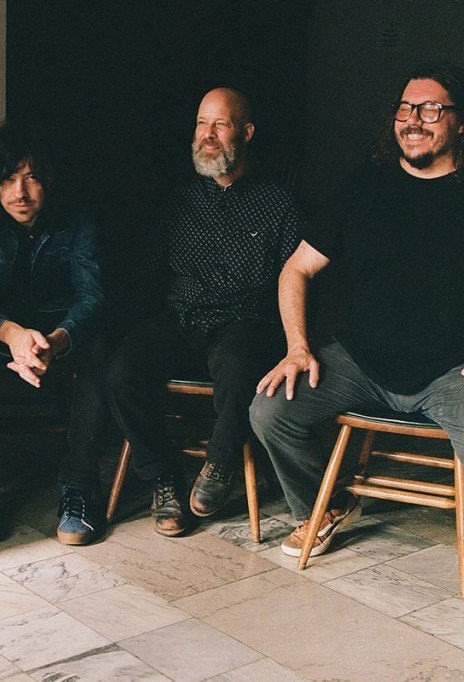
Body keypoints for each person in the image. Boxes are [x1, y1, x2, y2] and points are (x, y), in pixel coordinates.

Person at [250, 61, 464, 595]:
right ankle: (326, 506)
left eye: (431, 109)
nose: (413, 120)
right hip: (361, 360)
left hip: (457, 368)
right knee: (269, 411)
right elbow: (296, 269)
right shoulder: (364, 186)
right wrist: (298, 347)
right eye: (404, 108)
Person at [106, 88, 302, 536]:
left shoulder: (279, 204)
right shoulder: (177, 201)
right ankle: (163, 476)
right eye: (201, 123)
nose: (207, 135)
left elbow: (294, 282)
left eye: (220, 124)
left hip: (244, 323)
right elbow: (148, 276)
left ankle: (220, 462)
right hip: (181, 319)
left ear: (246, 133)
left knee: (239, 364)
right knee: (120, 370)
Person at [0, 121, 107, 545]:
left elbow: (92, 295)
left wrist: (56, 340)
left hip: (58, 322)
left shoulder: (76, 211)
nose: (19, 192)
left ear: (49, 181)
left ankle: (78, 487)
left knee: (99, 350)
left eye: (32, 178)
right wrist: (14, 336)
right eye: (8, 179)